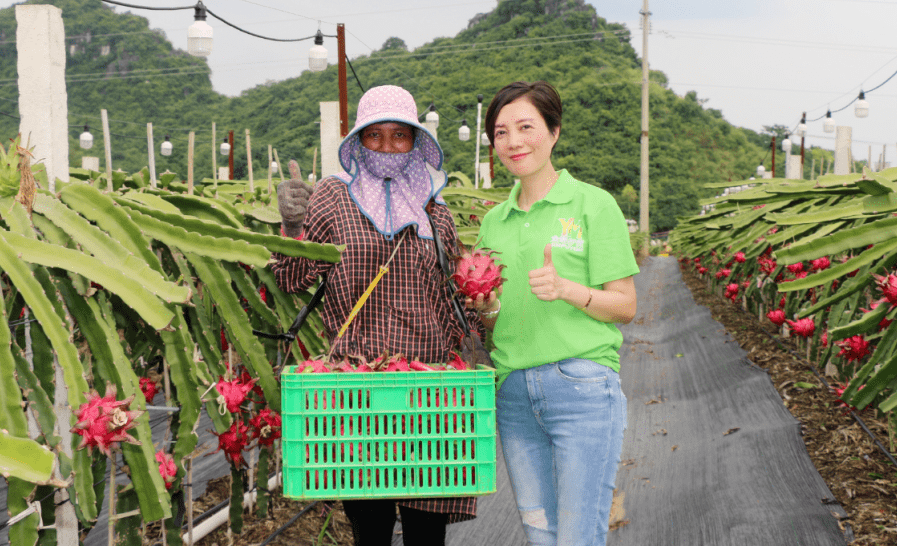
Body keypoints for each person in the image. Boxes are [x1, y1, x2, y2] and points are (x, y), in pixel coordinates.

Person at [272, 85, 482, 546]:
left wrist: (482, 309)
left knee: (427, 534)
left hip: (430, 392)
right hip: (358, 391)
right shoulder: (331, 197)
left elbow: (454, 298)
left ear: (415, 142)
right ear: (358, 141)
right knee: (371, 532)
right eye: (375, 136)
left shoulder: (435, 209)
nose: (388, 146)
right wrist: (290, 227)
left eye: (400, 136)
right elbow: (291, 278)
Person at [467, 80, 638, 546]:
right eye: (501, 132)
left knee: (578, 538)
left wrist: (567, 290)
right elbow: (496, 323)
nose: (514, 141)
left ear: (554, 131)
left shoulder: (592, 205)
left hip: (581, 387)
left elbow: (624, 305)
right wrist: (489, 308)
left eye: (526, 127)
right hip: (515, 396)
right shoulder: (492, 222)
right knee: (542, 537)